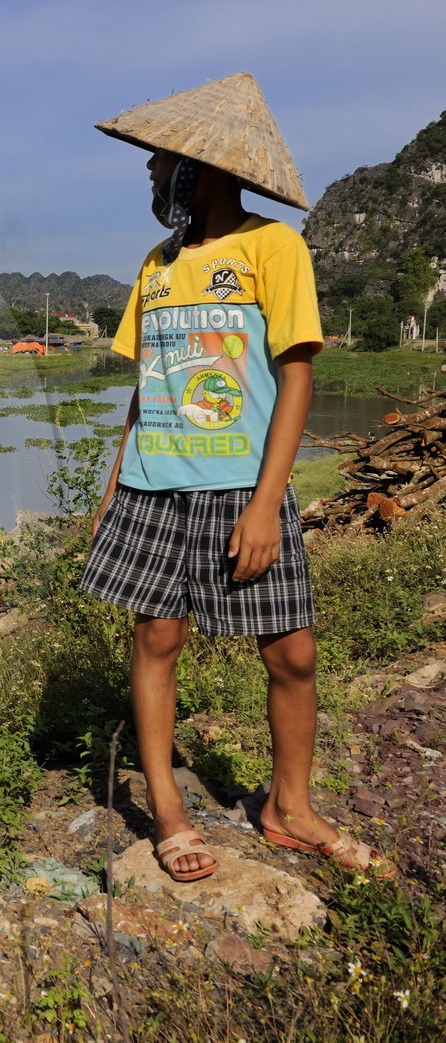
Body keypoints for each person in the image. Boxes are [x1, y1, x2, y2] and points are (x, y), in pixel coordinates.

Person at [81, 74, 395, 883]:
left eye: (161, 163)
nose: (151, 175)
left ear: (203, 168)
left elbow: (296, 378)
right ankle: (170, 812)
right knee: (156, 639)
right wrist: (114, 484)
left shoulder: (272, 246)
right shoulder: (155, 265)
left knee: (292, 654)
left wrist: (264, 505)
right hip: (154, 485)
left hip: (240, 490)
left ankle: (289, 808)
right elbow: (144, 386)